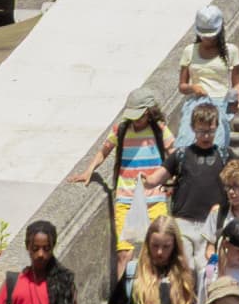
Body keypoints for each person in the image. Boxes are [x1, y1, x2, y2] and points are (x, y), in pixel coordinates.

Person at [70, 89, 174, 277]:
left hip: (155, 199)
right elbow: (104, 151)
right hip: (125, 199)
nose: (136, 120)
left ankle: (157, 293)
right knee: (124, 253)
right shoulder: (121, 130)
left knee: (161, 250)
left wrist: (172, 181)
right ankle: (121, 300)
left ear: (149, 111)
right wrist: (89, 171)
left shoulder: (159, 129)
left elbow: (174, 156)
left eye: (140, 116)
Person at [146, 102, 227, 270]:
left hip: (212, 225)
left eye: (210, 131)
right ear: (192, 128)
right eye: (201, 131)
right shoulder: (181, 155)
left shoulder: (225, 155)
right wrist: (144, 180)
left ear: (217, 127)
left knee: (206, 269)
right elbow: (155, 178)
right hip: (183, 222)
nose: (206, 136)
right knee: (186, 268)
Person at [112, 217, 197, 304]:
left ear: (175, 246)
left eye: (166, 247)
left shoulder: (187, 276)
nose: (159, 252)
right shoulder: (133, 273)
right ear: (147, 244)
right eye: (155, 245)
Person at [175, 4, 239, 149]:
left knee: (217, 145)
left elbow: (237, 83)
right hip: (196, 104)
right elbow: (182, 85)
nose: (207, 39)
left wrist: (237, 99)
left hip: (221, 104)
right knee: (186, 143)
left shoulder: (232, 51)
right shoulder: (189, 51)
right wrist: (193, 88)